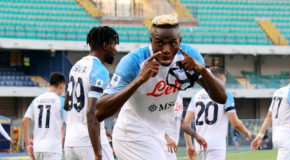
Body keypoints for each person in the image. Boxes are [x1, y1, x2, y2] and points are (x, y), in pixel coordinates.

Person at [96, 15, 227, 160]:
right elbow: (100, 111)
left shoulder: (189, 56)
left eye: (173, 43)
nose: (166, 49)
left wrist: (201, 70)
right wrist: (139, 79)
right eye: (159, 43)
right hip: (132, 135)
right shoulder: (134, 61)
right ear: (151, 41)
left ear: (180, 41)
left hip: (159, 136)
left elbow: (221, 98)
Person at [64, 26, 118, 160]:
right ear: (105, 45)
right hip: (88, 143)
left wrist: (101, 129)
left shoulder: (75, 66)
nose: (115, 50)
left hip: (70, 142)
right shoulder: (100, 70)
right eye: (114, 45)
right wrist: (98, 153)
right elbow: (91, 112)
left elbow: (67, 104)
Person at [183, 66, 251, 160]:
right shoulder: (225, 94)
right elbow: (235, 123)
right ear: (222, 78)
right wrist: (246, 132)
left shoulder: (196, 96)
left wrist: (189, 145)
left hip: (199, 144)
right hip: (216, 144)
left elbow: (186, 124)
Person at [22, 72, 66, 160]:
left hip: (37, 148)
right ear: (61, 86)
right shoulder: (61, 101)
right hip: (52, 149)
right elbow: (70, 122)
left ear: (49, 84)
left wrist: (27, 144)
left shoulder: (36, 100)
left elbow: (24, 122)